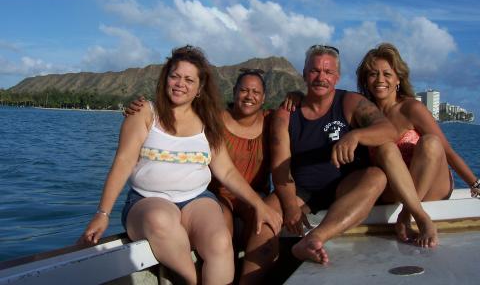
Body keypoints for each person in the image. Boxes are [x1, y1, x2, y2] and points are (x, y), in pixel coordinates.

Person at [79, 45, 282, 285]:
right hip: (147, 200)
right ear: (165, 78)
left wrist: (259, 204)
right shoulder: (145, 113)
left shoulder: (208, 121)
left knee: (220, 241)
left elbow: (226, 171)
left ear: (199, 88)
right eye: (174, 76)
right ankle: (191, 279)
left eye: (188, 79)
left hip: (196, 199)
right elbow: (123, 162)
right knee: (161, 221)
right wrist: (103, 213)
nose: (180, 84)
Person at [243, 44, 438, 282]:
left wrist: (355, 135)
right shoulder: (286, 113)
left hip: (345, 184)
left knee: (377, 176)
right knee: (263, 221)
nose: (321, 77)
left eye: (328, 72)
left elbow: (387, 130)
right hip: (301, 190)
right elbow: (280, 164)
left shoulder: (350, 102)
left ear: (336, 76)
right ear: (304, 74)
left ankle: (314, 238)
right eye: (314, 71)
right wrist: (291, 207)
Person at [125, 68, 273, 281]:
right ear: (234, 91)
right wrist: (137, 110)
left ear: (264, 97)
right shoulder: (213, 119)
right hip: (216, 195)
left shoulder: (271, 120)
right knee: (220, 227)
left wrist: (295, 97)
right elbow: (179, 113)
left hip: (248, 195)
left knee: (263, 226)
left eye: (256, 92)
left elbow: (297, 112)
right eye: (244, 90)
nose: (249, 96)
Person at [356, 42, 480, 238]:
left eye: (387, 74)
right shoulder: (362, 113)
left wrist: (475, 184)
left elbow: (446, 151)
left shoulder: (411, 108)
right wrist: (295, 98)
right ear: (365, 80)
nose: (380, 79)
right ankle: (410, 207)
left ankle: (408, 213)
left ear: (398, 79)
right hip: (395, 188)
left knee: (430, 142)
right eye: (373, 74)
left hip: (431, 185)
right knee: (384, 150)